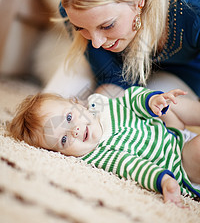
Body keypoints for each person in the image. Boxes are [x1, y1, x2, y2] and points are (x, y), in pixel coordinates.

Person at [44, 0, 200, 100]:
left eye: (107, 26)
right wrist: (101, 104)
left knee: (159, 109)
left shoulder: (192, 7)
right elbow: (114, 77)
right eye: (80, 28)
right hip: (127, 63)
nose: (97, 43)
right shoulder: (78, 13)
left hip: (191, 67)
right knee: (49, 113)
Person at [8, 86, 200, 207]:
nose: (73, 131)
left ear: (78, 105)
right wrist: (164, 180)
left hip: (172, 135)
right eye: (64, 140)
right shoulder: (101, 155)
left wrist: (151, 101)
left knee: (172, 103)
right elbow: (133, 166)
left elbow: (131, 99)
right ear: (62, 154)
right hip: (180, 164)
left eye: (68, 118)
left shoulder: (104, 108)